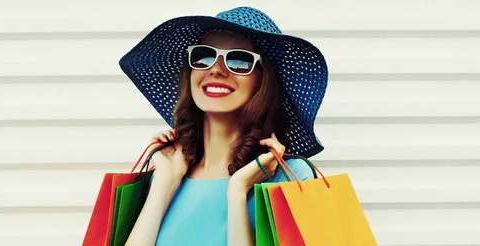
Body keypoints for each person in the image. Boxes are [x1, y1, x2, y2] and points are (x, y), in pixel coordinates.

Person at [118, 6, 328, 246]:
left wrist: (238, 191)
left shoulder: (290, 176)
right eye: (204, 56)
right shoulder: (165, 176)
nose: (216, 69)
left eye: (239, 60)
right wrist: (164, 183)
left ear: (264, 79)